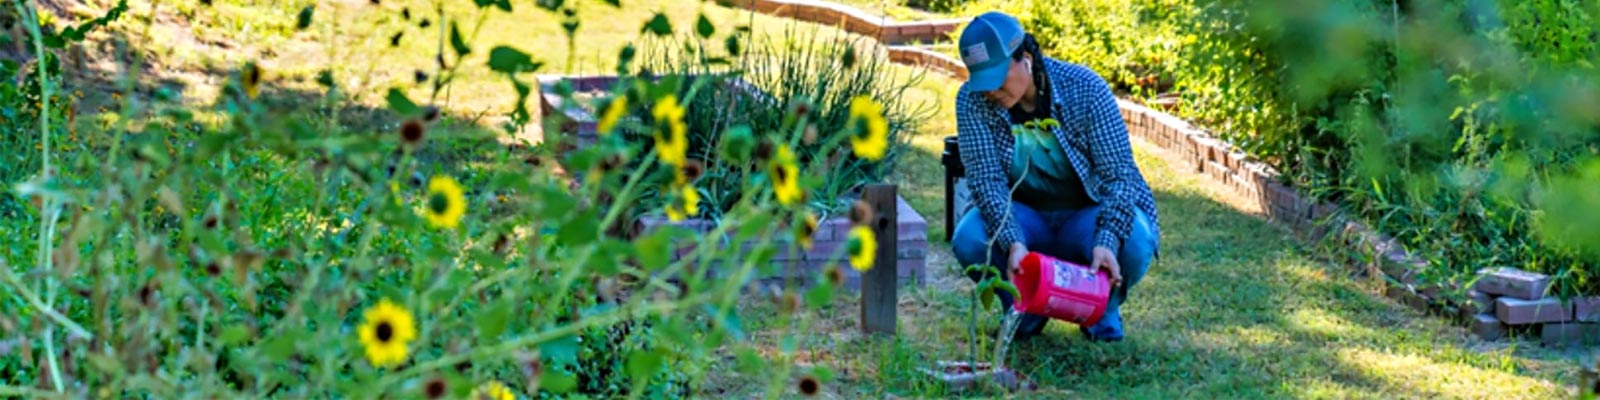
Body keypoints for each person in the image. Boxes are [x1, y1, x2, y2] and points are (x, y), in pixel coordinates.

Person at [951, 11, 1161, 342]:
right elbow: (986, 181)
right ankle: (1024, 308)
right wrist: (1014, 242)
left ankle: (1100, 310)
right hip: (1024, 217)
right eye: (982, 80)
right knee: (971, 237)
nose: (989, 91)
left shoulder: (1085, 88)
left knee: (1134, 240)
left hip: (1086, 215)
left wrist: (1106, 241)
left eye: (997, 76)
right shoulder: (971, 101)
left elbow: (1119, 177)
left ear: (1027, 59)